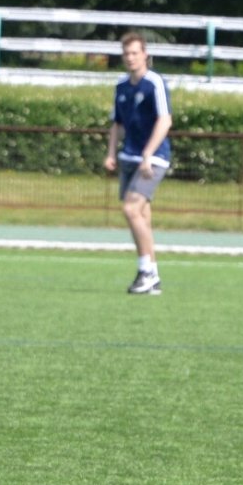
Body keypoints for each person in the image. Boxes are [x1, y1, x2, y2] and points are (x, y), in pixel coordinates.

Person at [105, 32, 173, 295]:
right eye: (127, 54)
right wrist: (111, 152)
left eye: (135, 53)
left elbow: (165, 120)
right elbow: (116, 123)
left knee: (131, 210)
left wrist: (148, 154)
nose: (131, 58)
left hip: (153, 159)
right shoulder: (121, 86)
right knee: (141, 216)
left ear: (145, 54)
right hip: (128, 157)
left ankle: (145, 271)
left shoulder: (154, 83)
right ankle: (152, 275)